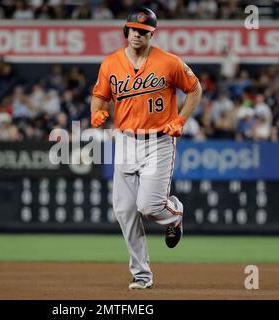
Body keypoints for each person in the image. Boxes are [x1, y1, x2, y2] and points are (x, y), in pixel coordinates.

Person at [90, 7, 202, 289]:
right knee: (125, 211)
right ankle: (142, 275)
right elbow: (100, 97)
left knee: (149, 207)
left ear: (151, 34)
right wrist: (97, 112)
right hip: (126, 141)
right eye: (133, 29)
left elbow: (195, 88)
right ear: (125, 31)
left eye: (144, 31)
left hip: (159, 141)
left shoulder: (169, 62)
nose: (137, 34)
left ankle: (174, 215)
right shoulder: (110, 64)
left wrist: (181, 119)